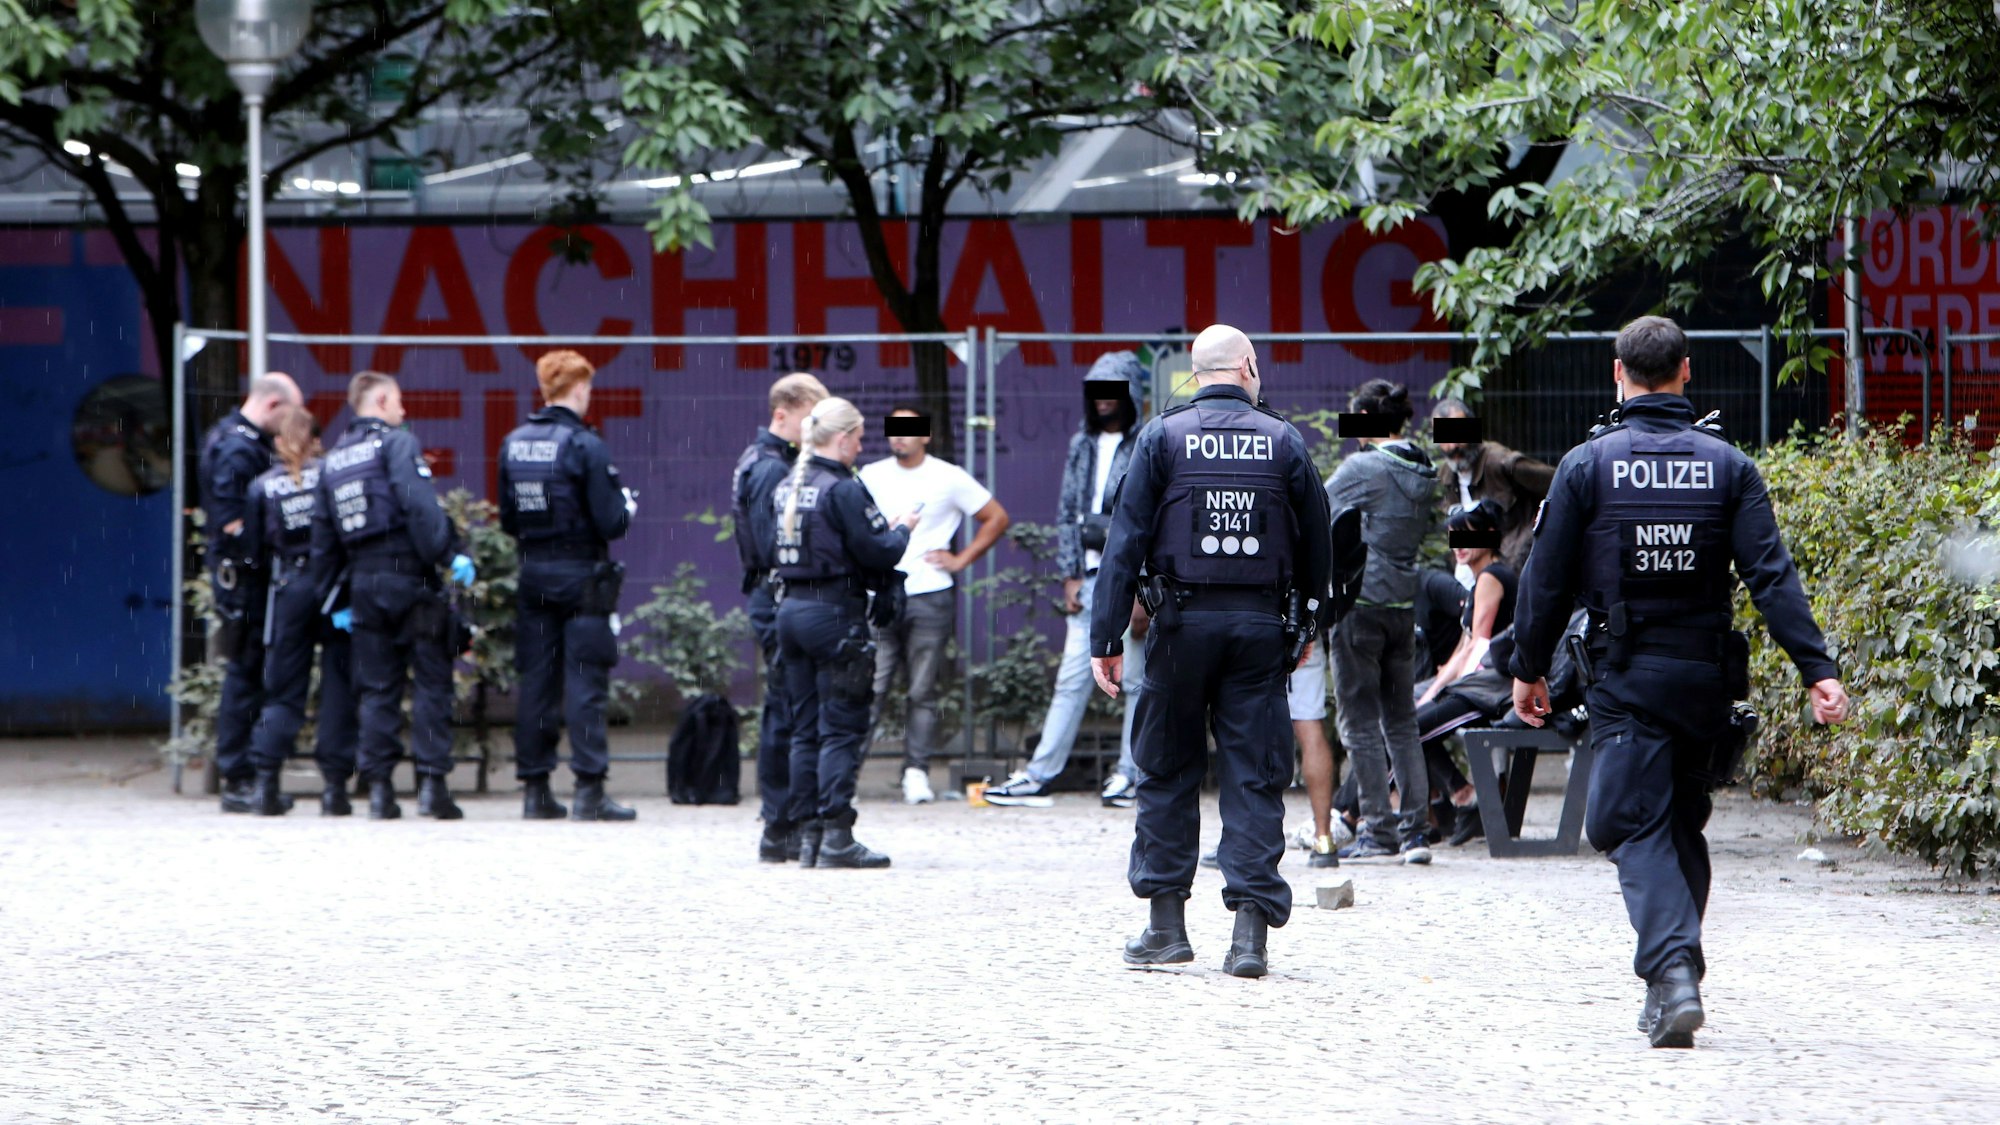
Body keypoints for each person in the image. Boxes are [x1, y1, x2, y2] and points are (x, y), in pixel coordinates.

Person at [1508, 315, 1850, 1048]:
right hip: (1704, 679)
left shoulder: (1587, 464)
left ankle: (1671, 971)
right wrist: (1817, 669)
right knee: (1676, 824)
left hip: (1627, 675)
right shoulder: (1728, 465)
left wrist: (1526, 667)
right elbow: (1772, 576)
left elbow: (1544, 579)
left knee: (1623, 820)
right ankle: (1672, 983)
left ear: (1617, 373)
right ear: (1687, 372)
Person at [1090, 323, 1332, 978]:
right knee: (1254, 773)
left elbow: (1124, 542)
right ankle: (1248, 937)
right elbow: (1318, 541)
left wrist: (1105, 637)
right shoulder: (1284, 440)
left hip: (1177, 628)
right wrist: (1308, 625)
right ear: (1248, 367)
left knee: (1166, 769)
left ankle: (1166, 927)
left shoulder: (1161, 438)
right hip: (1258, 630)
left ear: (1195, 375)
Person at [309, 371, 477, 821]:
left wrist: (334, 597)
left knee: (377, 689)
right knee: (430, 681)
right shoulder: (397, 444)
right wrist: (449, 554)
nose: (404, 411)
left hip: (363, 585)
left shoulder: (334, 460)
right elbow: (419, 505)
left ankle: (380, 790)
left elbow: (323, 540)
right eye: (399, 402)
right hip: (411, 578)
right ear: (381, 399)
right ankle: (432, 786)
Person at [985, 352, 1148, 809]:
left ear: (1132, 393)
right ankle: (1040, 775)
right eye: (1094, 390)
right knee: (1073, 678)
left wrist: (1143, 591)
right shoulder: (1081, 443)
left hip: (1131, 579)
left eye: (1111, 390)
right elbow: (1067, 512)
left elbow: (1153, 519)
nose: (1101, 400)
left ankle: (1129, 775)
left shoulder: (1147, 442)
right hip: (1092, 576)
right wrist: (1069, 573)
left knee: (1135, 679)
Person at [775, 397, 919, 868]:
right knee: (840, 730)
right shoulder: (842, 488)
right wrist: (903, 530)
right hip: (834, 615)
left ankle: (803, 835)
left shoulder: (789, 486)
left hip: (791, 611)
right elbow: (878, 551)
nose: (861, 446)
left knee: (803, 731)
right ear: (842, 439)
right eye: (858, 438)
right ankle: (836, 835)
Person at [498, 350, 637, 823]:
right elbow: (611, 520)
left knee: (537, 681)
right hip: (582, 576)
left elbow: (511, 519)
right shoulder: (585, 444)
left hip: (534, 572)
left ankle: (535, 790)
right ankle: (588, 790)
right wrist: (626, 508)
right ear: (579, 389)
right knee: (585, 681)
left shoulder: (513, 443)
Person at [859, 406, 1010, 804]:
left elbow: (995, 517)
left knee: (922, 690)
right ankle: (847, 773)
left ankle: (916, 772)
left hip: (930, 593)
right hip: (878, 595)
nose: (900, 437)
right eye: (894, 430)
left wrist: (961, 560)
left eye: (909, 430)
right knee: (869, 687)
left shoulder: (948, 476)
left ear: (926, 435)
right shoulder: (869, 475)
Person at [1327, 379, 1441, 864]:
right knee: (1402, 721)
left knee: (1358, 723)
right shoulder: (1425, 469)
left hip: (1359, 604)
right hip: (1402, 607)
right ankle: (1416, 831)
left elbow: (1315, 506)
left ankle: (1378, 830)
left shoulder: (1363, 466)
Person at [241, 406, 358, 815]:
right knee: (338, 689)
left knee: (284, 693)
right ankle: (335, 791)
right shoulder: (332, 475)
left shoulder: (262, 487)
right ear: (316, 439)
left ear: (277, 441)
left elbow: (252, 555)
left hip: (289, 591)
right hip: (334, 591)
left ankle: (265, 785)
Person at [734, 373, 829, 860]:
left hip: (769, 597)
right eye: (809, 419)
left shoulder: (765, 460)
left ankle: (782, 822)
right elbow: (776, 547)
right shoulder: (772, 468)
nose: (814, 430)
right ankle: (781, 823)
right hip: (776, 597)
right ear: (782, 414)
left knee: (785, 711)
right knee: (788, 713)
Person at [199, 371, 302, 813]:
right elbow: (231, 522)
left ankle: (243, 772)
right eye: (289, 415)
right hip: (243, 579)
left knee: (249, 674)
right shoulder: (239, 448)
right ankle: (238, 776)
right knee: (244, 675)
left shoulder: (229, 436)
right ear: (273, 406)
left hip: (243, 575)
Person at [1415, 499, 1517, 837]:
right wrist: (1432, 690)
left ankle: (1352, 814)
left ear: (1489, 535)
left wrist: (1438, 693)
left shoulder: (1492, 576)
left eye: (1465, 534)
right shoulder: (1481, 579)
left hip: (1489, 690)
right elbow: (1464, 647)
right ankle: (1460, 793)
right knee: (1401, 716)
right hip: (1476, 684)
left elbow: (1478, 644)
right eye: (1452, 534)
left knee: (1407, 730)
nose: (1457, 543)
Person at [1430, 398, 1554, 573]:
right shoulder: (1445, 476)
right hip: (1469, 573)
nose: (1453, 446)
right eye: (1445, 438)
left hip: (1512, 569)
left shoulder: (1500, 462)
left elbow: (1558, 484)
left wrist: (1534, 535)